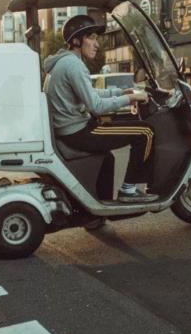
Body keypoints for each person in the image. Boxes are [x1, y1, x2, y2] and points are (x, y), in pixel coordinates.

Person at [43, 14, 156, 204]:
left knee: (108, 158)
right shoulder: (73, 65)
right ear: (77, 41)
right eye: (92, 38)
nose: (97, 44)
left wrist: (122, 92)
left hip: (71, 129)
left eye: (97, 38)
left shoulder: (64, 63)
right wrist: (130, 97)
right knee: (146, 132)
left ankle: (99, 208)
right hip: (78, 131)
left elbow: (91, 94)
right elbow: (95, 106)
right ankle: (129, 190)